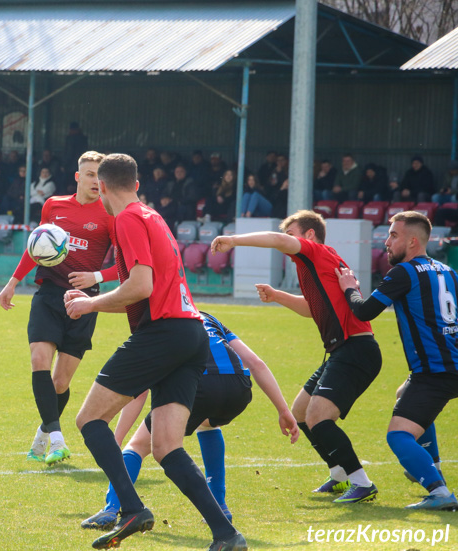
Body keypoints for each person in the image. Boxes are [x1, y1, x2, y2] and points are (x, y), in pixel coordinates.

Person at [64, 153, 245, 551]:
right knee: (166, 446)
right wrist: (97, 296)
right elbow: (144, 287)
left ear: (104, 188)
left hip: (163, 333)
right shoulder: (152, 216)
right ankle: (227, 535)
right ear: (138, 184)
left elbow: (141, 286)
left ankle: (131, 508)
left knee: (89, 419)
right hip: (191, 332)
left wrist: (90, 303)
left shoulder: (126, 219)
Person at [210, 209, 382, 504]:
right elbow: (310, 308)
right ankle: (340, 475)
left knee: (318, 418)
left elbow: (277, 240)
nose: (286, 242)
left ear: (309, 235)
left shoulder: (316, 252)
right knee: (301, 412)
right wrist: (277, 295)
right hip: (342, 350)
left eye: (292, 235)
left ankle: (362, 483)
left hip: (356, 349)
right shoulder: (314, 265)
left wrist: (234, 239)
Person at [81, 311, 298, 530]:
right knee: (207, 424)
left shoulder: (162, 323)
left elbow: (140, 391)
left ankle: (111, 509)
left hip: (200, 386)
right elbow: (255, 362)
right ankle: (220, 505)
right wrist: (283, 409)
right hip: (239, 388)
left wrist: (116, 438)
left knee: (137, 446)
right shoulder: (208, 318)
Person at [0, 151, 115, 467]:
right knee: (39, 360)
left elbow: (129, 265)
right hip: (49, 295)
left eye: (99, 175)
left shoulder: (110, 215)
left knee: (60, 383)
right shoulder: (54, 206)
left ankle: (41, 437)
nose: (95, 180)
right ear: (78, 177)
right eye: (90, 174)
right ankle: (58, 440)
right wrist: (13, 281)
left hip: (85, 303)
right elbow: (36, 247)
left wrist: (97, 276)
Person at [337, 211, 458, 510]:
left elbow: (364, 311)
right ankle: (433, 468)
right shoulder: (448, 271)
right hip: (449, 365)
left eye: (393, 235)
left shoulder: (404, 273)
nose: (387, 241)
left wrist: (349, 287)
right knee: (403, 393)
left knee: (399, 436)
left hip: (434, 372)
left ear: (413, 241)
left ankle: (439, 491)